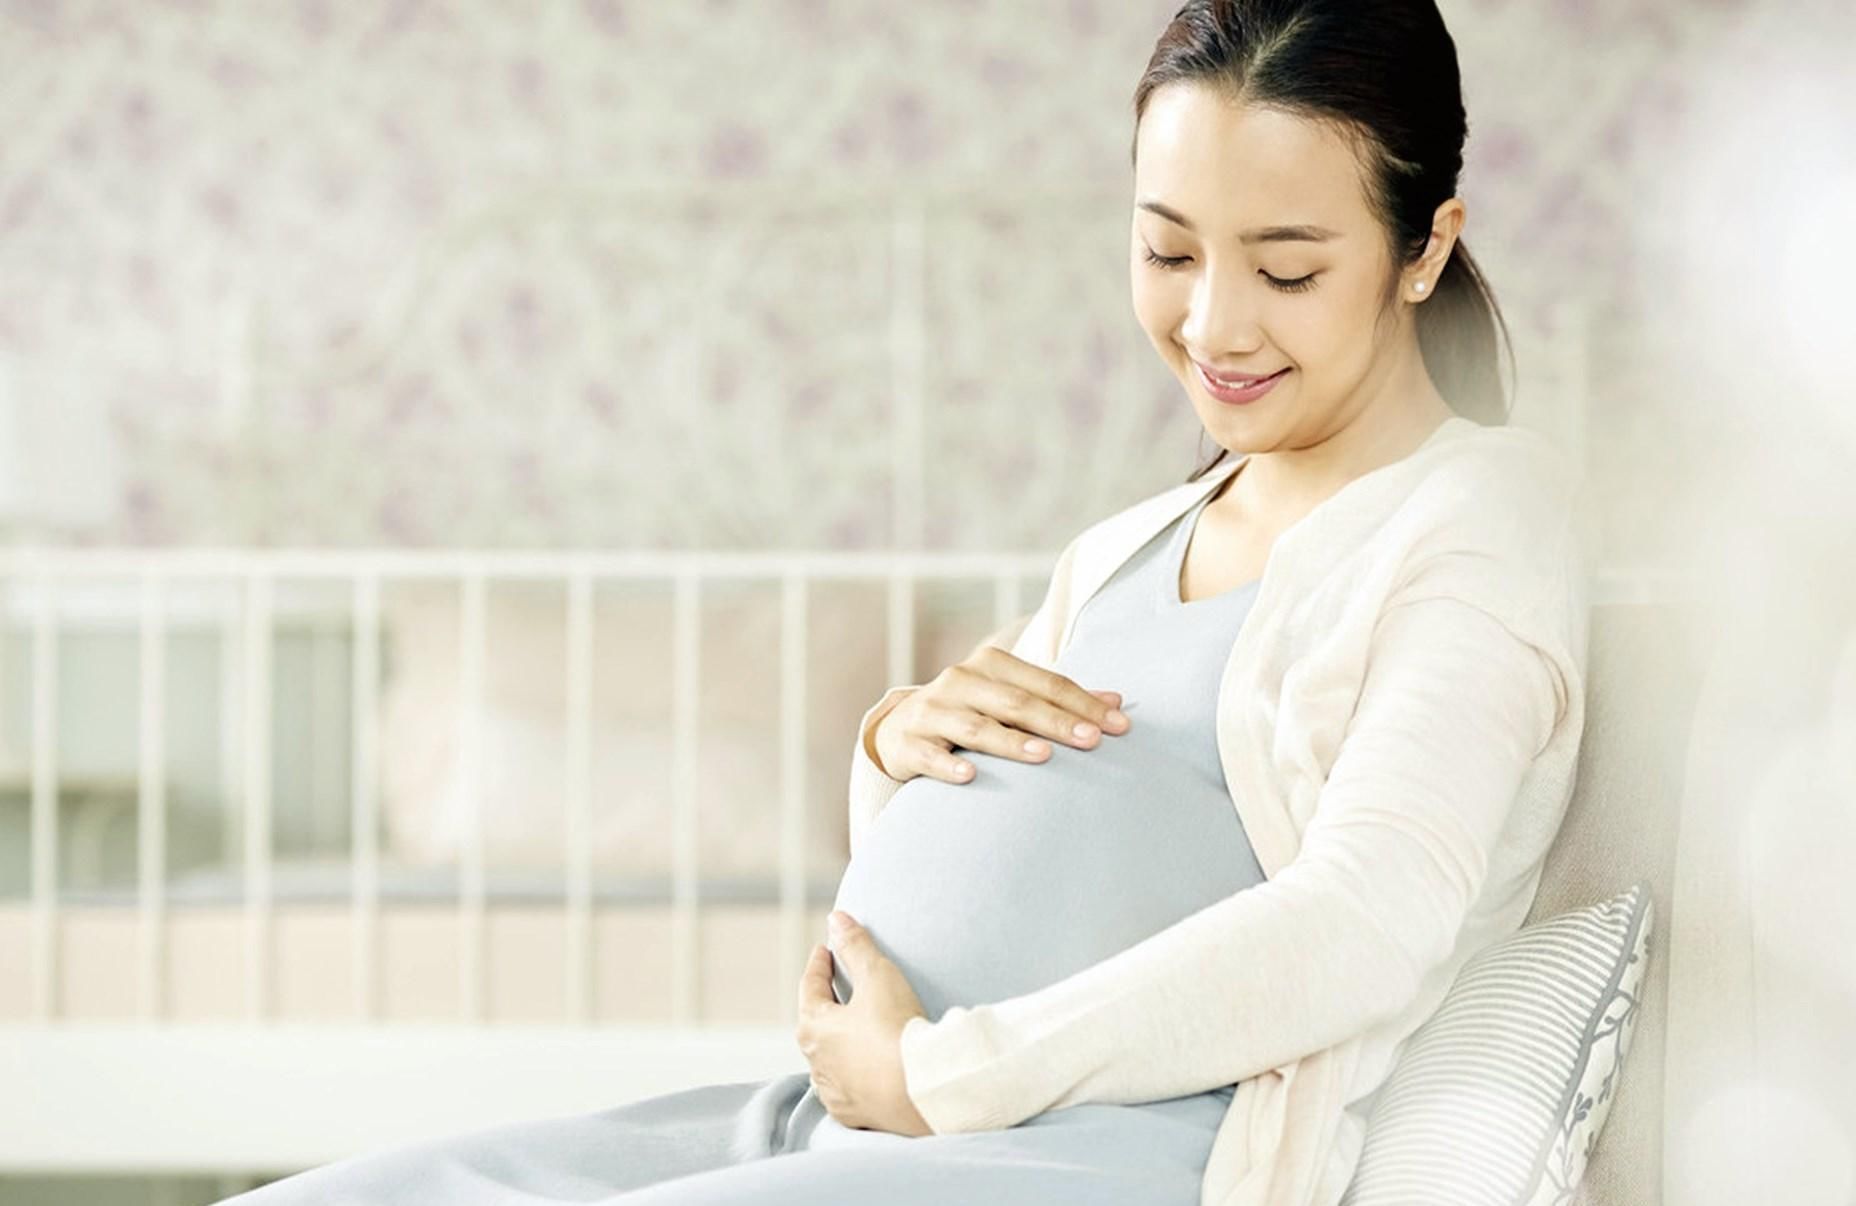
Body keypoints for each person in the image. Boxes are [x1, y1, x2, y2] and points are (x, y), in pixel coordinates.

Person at [218, 1, 1588, 1203]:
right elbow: (983, 838)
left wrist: (950, 1073)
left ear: (1424, 248)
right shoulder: (1135, 537)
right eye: (1170, 251)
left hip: (1070, 1149)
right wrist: (897, 748)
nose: (1215, 323)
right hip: (850, 1120)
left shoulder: (1472, 527)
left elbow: (1365, 921)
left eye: (1287, 268)